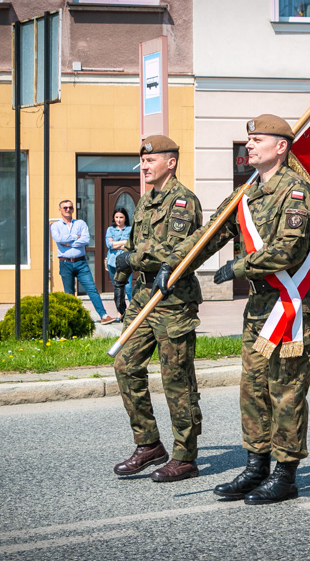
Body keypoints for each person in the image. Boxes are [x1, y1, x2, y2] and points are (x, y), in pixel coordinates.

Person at [161, 114, 310, 505]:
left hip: (292, 302)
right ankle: (256, 466)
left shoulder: (297, 192)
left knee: (285, 391)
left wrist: (240, 267)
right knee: (253, 390)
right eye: (248, 140)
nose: (248, 145)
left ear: (281, 147)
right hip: (260, 306)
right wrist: (173, 262)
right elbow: (210, 233)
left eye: (257, 140)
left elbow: (290, 250)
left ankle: (285, 474)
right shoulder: (246, 194)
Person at [111, 135, 204, 483]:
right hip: (141, 298)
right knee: (125, 363)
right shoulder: (146, 201)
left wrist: (127, 258)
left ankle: (185, 455)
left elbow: (170, 249)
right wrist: (121, 277)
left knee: (176, 379)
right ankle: (148, 443)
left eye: (151, 161)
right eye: (143, 162)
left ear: (171, 162)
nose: (144, 166)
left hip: (173, 302)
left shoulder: (183, 202)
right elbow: (137, 245)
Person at [50, 200, 113, 325]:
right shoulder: (55, 226)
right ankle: (72, 320)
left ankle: (104, 315)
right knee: (69, 292)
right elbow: (58, 239)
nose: (68, 209)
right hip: (65, 263)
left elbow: (85, 240)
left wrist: (68, 243)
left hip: (81, 263)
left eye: (70, 207)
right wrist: (75, 237)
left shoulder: (80, 223)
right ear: (60, 210)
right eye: (65, 208)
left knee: (92, 289)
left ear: (73, 209)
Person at [105, 207, 133, 322]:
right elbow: (109, 244)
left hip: (126, 262)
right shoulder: (110, 230)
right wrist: (123, 243)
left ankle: (133, 310)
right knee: (117, 289)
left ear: (125, 218)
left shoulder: (130, 229)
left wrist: (116, 243)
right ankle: (120, 312)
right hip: (112, 262)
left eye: (121, 217)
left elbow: (131, 244)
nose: (119, 220)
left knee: (128, 287)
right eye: (116, 217)